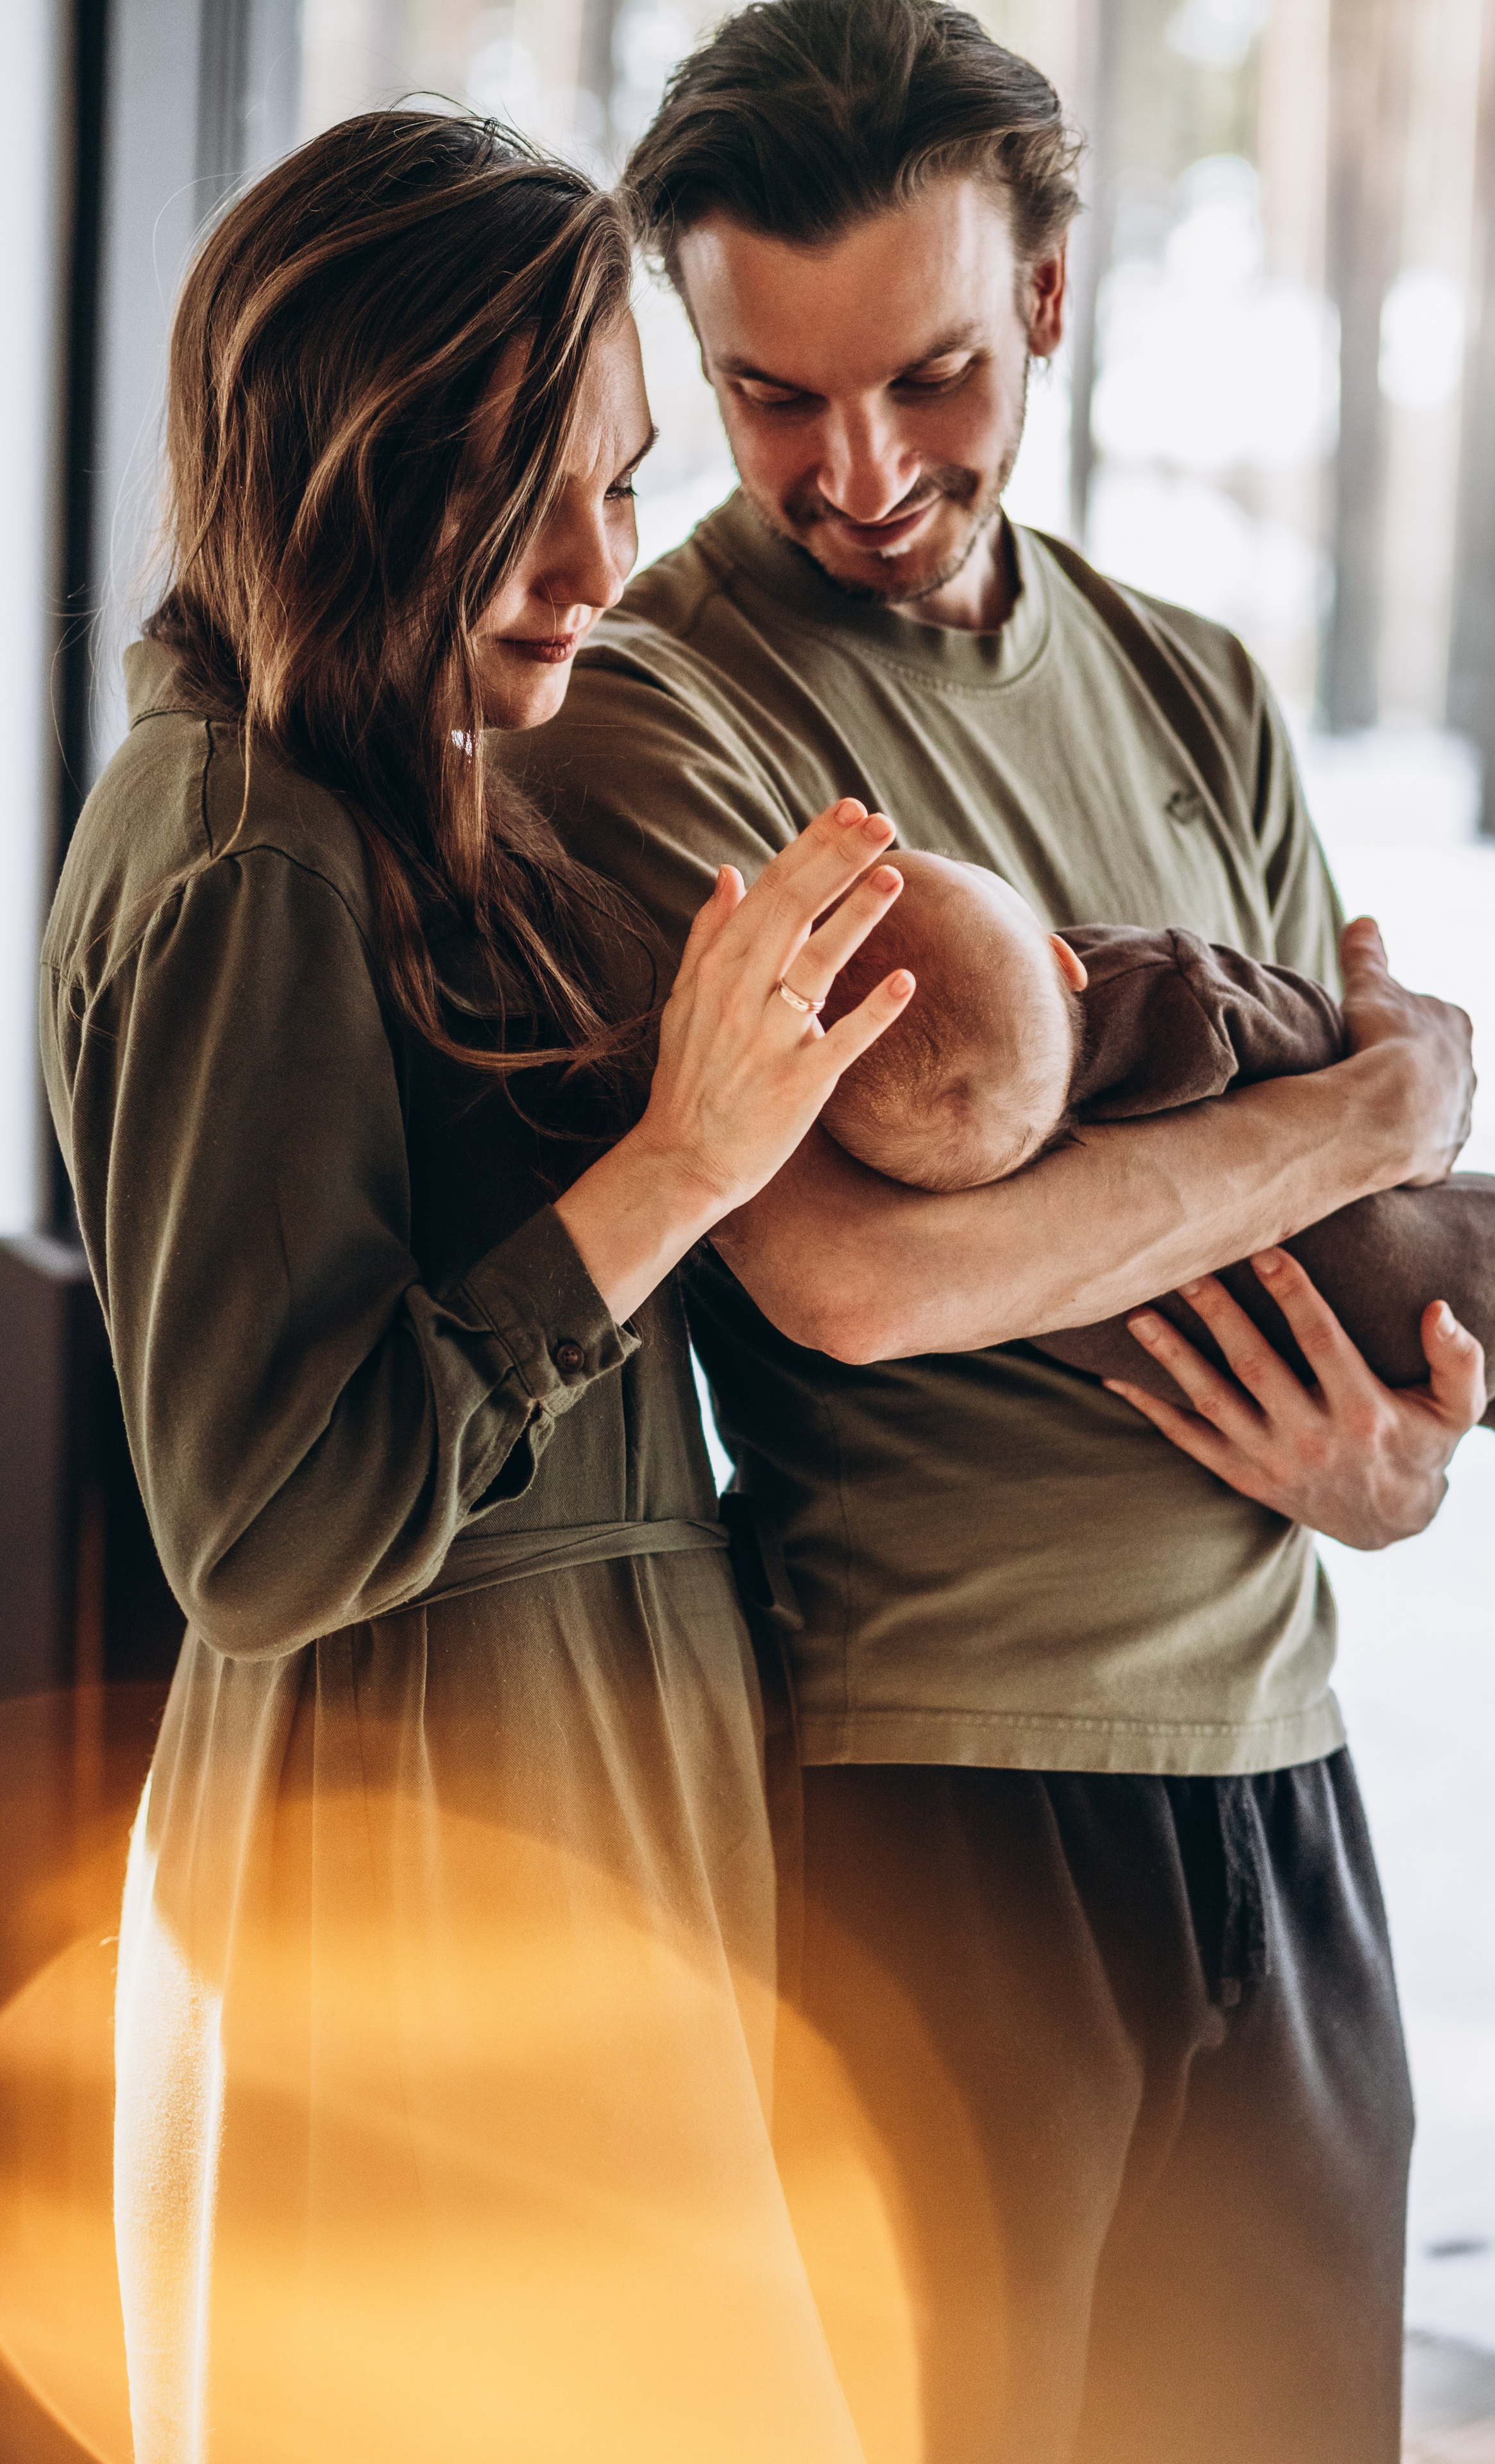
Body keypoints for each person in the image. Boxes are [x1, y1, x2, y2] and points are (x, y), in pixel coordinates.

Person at [496, 4, 1484, 2458]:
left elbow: (1367, 1241)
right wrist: (1363, 1119)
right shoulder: (663, 717)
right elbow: (848, 1269)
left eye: (924, 376)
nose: (855, 471)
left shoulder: (1199, 693)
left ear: (1041, 296)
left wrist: (1391, 1463)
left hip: (1279, 1770)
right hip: (931, 1806)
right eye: (769, 401)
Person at [38, 112, 923, 2464]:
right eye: (515, 486)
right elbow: (266, 1529)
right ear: (342, 462)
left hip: (566, 1807)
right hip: (428, 1852)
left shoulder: (369, 799)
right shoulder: (243, 852)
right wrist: (674, 1165)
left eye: (620, 484)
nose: (591, 564)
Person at [818, 850, 1495, 1565]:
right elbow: (1311, 1039)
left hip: (1262, 1358)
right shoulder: (1145, 990)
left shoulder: (972, 1247)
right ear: (1059, 959)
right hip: (1409, 1280)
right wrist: (1377, 1066)